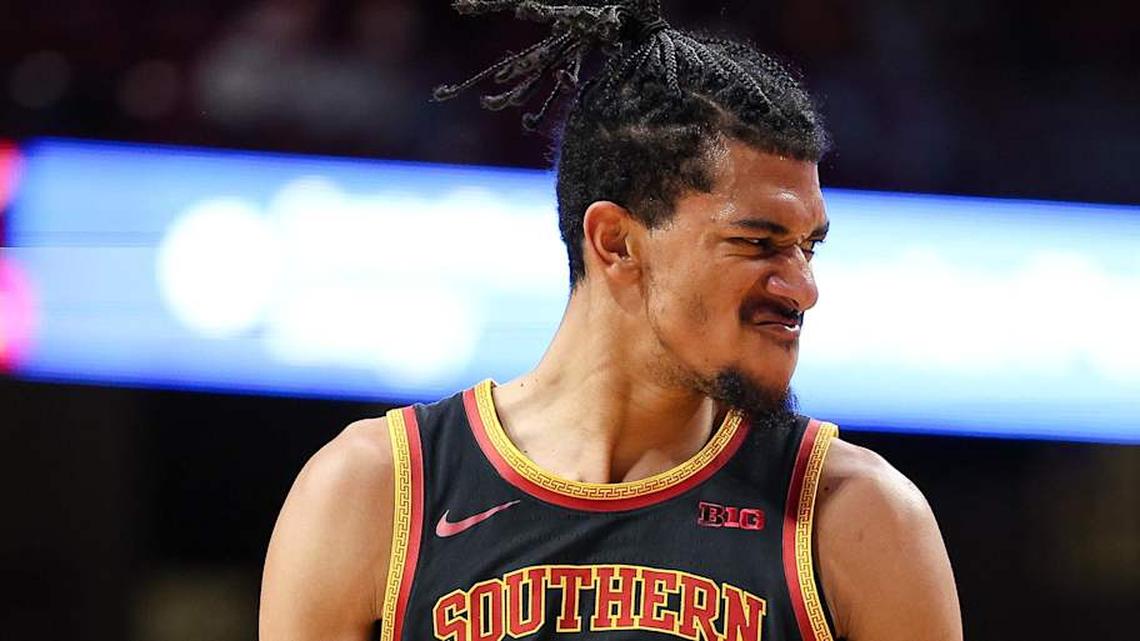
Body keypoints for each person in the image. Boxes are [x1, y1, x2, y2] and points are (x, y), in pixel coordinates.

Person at [259, 1, 962, 640]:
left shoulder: (860, 519)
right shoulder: (375, 493)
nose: (803, 288)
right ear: (617, 243)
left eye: (810, 246)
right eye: (758, 243)